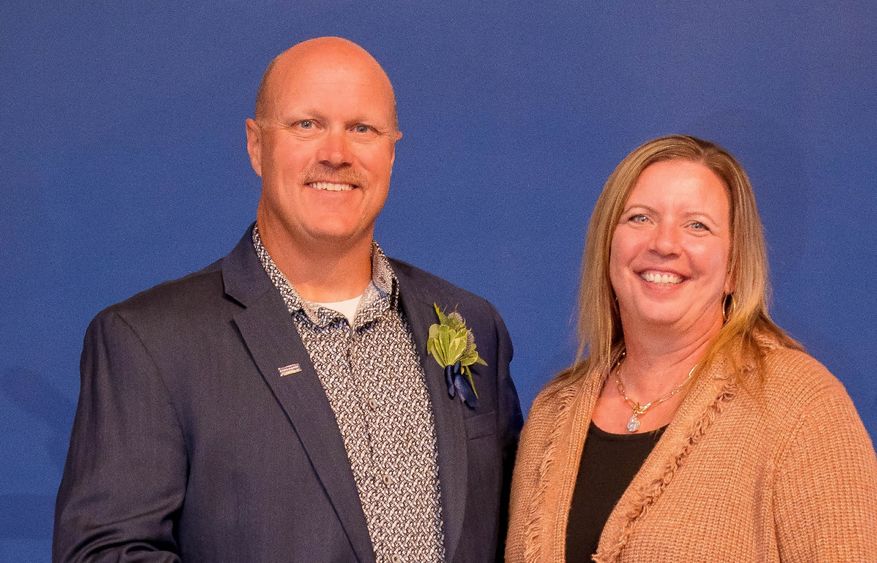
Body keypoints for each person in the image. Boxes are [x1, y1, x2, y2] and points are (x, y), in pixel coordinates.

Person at [54, 36, 522, 562]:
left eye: (361, 129)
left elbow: (522, 533)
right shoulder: (149, 343)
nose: (336, 154)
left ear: (391, 150)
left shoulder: (472, 324)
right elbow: (107, 554)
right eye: (307, 124)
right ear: (256, 145)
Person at [506, 135, 876, 562]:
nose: (664, 244)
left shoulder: (801, 405)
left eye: (697, 225)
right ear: (607, 246)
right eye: (640, 218)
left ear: (735, 267)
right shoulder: (551, 414)